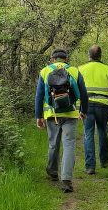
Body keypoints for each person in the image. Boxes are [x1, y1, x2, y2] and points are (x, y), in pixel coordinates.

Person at [35, 48, 89, 193]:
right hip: (70, 114)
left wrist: (38, 116)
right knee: (69, 145)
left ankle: (53, 172)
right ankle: (66, 180)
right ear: (66, 59)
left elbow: (39, 96)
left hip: (52, 114)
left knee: (53, 144)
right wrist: (83, 111)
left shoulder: (44, 71)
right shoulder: (74, 71)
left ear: (52, 59)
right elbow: (83, 93)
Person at [78, 45, 108, 175]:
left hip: (86, 105)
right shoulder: (107, 69)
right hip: (103, 105)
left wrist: (79, 108)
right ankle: (104, 160)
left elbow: (77, 90)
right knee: (102, 131)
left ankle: (90, 166)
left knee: (88, 134)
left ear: (88, 55)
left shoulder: (81, 69)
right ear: (101, 55)